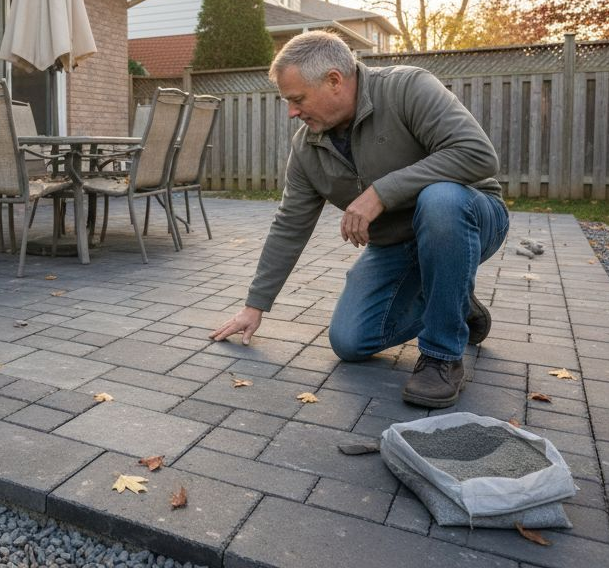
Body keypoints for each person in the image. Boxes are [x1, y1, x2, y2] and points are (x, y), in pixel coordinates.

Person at [208, 31, 508, 408]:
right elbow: (289, 225)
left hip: (469, 218)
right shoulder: (308, 148)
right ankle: (455, 299)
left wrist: (381, 192)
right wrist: (255, 305)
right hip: (398, 244)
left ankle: (442, 357)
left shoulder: (407, 88)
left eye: (297, 99)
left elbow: (478, 155)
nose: (292, 112)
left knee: (440, 198)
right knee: (350, 341)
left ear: (334, 80)